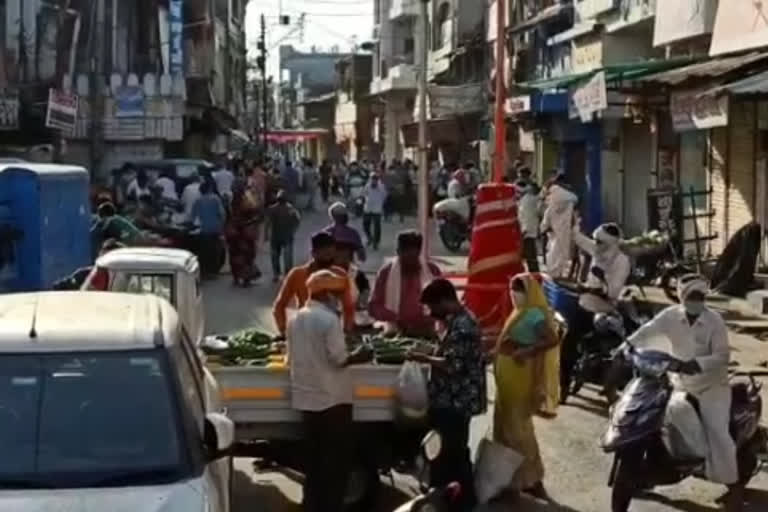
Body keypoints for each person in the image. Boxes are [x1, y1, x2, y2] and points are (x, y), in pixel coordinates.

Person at [625, 275, 741, 510]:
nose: (696, 301)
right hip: (678, 384)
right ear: (681, 297)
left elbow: (722, 356)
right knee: (654, 420)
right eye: (691, 297)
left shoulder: (714, 321)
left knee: (717, 431)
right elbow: (647, 331)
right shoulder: (670, 316)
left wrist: (695, 364)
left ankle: (734, 486)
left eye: (700, 297)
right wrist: (624, 346)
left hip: (711, 387)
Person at [287, 270, 373, 512]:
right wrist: (361, 355)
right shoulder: (328, 320)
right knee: (335, 467)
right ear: (324, 294)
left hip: (306, 401)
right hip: (332, 403)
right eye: (335, 293)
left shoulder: (296, 318)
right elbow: (339, 359)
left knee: (313, 466)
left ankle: (312, 507)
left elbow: (290, 357)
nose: (338, 298)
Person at [407, 278, 487, 512]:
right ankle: (453, 498)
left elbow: (453, 365)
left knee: (453, 453)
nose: (431, 313)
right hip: (452, 399)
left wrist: (423, 358)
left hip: (456, 400)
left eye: (433, 307)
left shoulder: (463, 326)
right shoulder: (459, 320)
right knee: (450, 452)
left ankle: (461, 501)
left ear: (445, 301)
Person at [493, 274, 560, 500]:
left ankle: (533, 479)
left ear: (529, 292)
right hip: (507, 376)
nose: (514, 294)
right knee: (504, 427)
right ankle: (510, 479)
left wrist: (527, 351)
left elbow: (551, 340)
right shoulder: (519, 312)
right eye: (511, 289)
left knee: (518, 429)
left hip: (520, 376)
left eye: (518, 290)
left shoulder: (534, 314)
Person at [273, 232, 355, 337]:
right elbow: (279, 306)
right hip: (305, 331)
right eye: (325, 255)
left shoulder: (339, 274)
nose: (329, 259)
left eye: (331, 255)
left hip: (331, 331)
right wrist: (283, 331)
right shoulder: (297, 274)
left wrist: (347, 330)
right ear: (313, 254)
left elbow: (348, 307)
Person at [369, 230, 441, 336]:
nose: (409, 262)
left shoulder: (432, 271)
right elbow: (374, 306)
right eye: (405, 257)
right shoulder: (386, 273)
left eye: (413, 257)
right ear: (398, 252)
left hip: (427, 330)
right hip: (394, 331)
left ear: (419, 253)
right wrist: (395, 317)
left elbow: (442, 304)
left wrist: (428, 317)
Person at [572, 222, 631, 314]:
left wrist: (603, 278)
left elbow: (613, 292)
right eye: (595, 240)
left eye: (598, 242)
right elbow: (580, 240)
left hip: (605, 305)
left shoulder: (621, 261)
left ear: (610, 243)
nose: (595, 244)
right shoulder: (598, 249)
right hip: (586, 299)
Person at [225, 180, 263, 287]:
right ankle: (245, 278)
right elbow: (257, 214)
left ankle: (238, 278)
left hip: (237, 234)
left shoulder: (231, 202)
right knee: (246, 256)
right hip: (243, 234)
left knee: (237, 256)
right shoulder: (248, 200)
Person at [540, 173, 577, 277]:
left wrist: (544, 226)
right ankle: (558, 273)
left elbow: (547, 210)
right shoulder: (569, 196)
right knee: (561, 251)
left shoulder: (550, 194)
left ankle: (553, 273)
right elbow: (575, 199)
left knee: (552, 251)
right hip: (564, 227)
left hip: (553, 229)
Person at [191, 181, 226, 277]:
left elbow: (192, 216)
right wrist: (222, 226)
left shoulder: (198, 200)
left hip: (204, 230)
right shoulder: (216, 198)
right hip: (215, 228)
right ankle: (214, 270)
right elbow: (222, 214)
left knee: (205, 250)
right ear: (209, 188)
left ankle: (206, 270)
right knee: (215, 250)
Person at [265, 190, 301, 282]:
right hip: (287, 235)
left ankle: (276, 274)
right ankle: (288, 274)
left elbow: (267, 223)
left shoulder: (272, 209)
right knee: (287, 257)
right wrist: (293, 230)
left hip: (275, 236)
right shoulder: (291, 209)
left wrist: (266, 235)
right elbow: (297, 220)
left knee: (275, 256)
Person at [517, 180, 541, 272]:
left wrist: (524, 230)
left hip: (527, 232)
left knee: (529, 253)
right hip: (528, 230)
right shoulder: (526, 200)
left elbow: (526, 217)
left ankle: (534, 273)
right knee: (528, 254)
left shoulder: (527, 200)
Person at [362, 173, 386, 250]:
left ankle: (376, 242)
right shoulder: (367, 186)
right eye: (372, 179)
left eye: (375, 180)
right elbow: (363, 194)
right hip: (368, 208)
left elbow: (384, 196)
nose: (373, 181)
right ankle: (370, 238)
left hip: (377, 209)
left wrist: (380, 203)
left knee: (377, 227)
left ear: (377, 180)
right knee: (365, 225)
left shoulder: (381, 187)